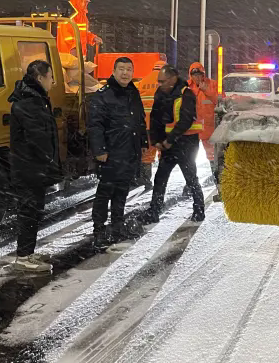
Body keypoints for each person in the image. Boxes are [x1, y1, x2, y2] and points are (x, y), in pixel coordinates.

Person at [8, 59, 61, 273]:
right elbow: (37, 137)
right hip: (29, 169)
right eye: (50, 77)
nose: (53, 81)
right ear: (40, 78)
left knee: (33, 211)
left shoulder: (35, 99)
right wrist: (48, 159)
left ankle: (28, 252)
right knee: (29, 212)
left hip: (32, 168)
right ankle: (23, 257)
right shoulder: (29, 103)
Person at [88, 56, 148, 244]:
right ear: (113, 71)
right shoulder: (103, 95)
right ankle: (99, 230)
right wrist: (100, 150)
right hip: (111, 153)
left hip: (129, 150)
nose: (125, 73)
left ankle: (117, 226)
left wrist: (143, 143)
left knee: (122, 190)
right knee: (105, 192)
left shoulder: (133, 93)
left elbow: (139, 120)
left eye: (129, 69)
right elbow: (95, 126)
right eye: (121, 69)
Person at [146, 65, 205, 223]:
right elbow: (155, 118)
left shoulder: (186, 94)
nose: (159, 84)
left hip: (186, 144)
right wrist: (157, 141)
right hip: (169, 145)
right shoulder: (161, 93)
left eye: (162, 81)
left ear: (173, 79)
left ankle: (199, 210)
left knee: (191, 178)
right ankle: (154, 212)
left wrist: (169, 140)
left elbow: (186, 120)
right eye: (158, 81)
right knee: (160, 178)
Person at [188, 62, 221, 162]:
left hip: (209, 128)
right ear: (191, 75)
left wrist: (207, 91)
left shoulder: (213, 85)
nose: (197, 78)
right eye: (194, 75)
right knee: (190, 158)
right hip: (192, 129)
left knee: (213, 157)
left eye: (199, 75)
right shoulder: (186, 87)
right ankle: (192, 178)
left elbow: (220, 101)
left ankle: (216, 176)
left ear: (203, 75)